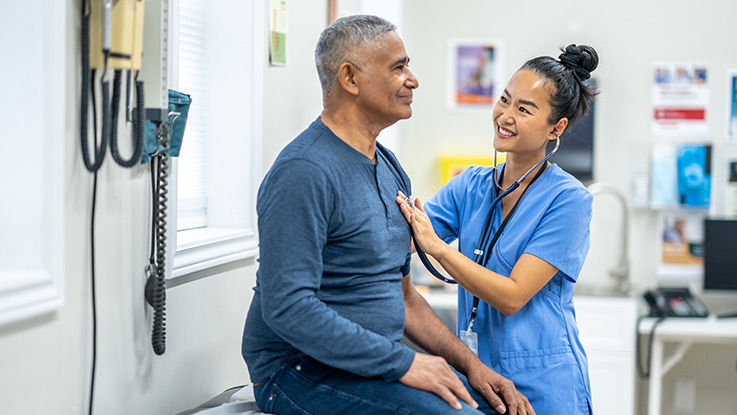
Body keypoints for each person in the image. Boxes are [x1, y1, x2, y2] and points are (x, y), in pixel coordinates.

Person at [242, 15, 533, 415]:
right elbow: (287, 307)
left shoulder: (389, 167)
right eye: (398, 67)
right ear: (350, 78)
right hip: (297, 371)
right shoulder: (304, 172)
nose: (412, 79)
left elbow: (404, 296)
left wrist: (470, 365)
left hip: (367, 365)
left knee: (491, 406)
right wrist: (406, 363)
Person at [396, 44, 599, 414]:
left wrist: (441, 249)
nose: (505, 116)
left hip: (544, 386)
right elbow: (406, 238)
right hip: (479, 381)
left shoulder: (569, 200)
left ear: (557, 127)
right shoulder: (470, 185)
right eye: (505, 100)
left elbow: (512, 296)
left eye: (524, 109)